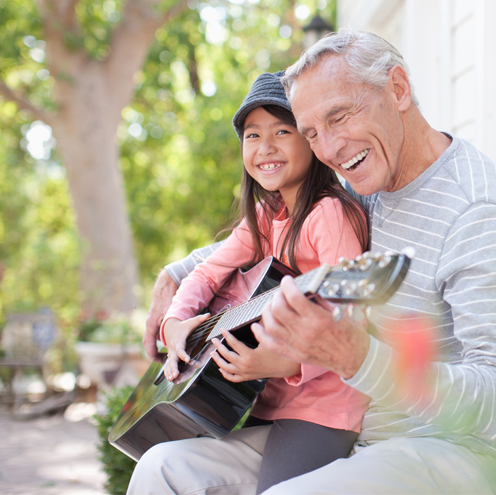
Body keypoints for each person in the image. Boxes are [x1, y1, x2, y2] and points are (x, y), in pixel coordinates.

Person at [140, 30, 496, 494]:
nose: (329, 149)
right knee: (163, 469)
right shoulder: (365, 183)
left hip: (457, 450)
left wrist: (361, 358)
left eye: (339, 116)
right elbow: (274, 232)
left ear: (398, 89)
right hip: (352, 432)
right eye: (311, 133)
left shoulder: (475, 209)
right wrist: (175, 278)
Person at [128, 70, 371, 495]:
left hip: (324, 411)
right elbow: (206, 273)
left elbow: (350, 316)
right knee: (160, 465)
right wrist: (177, 323)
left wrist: (284, 364)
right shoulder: (266, 217)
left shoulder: (328, 215)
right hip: (272, 403)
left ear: (311, 141)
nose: (266, 147)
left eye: (282, 130)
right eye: (252, 135)